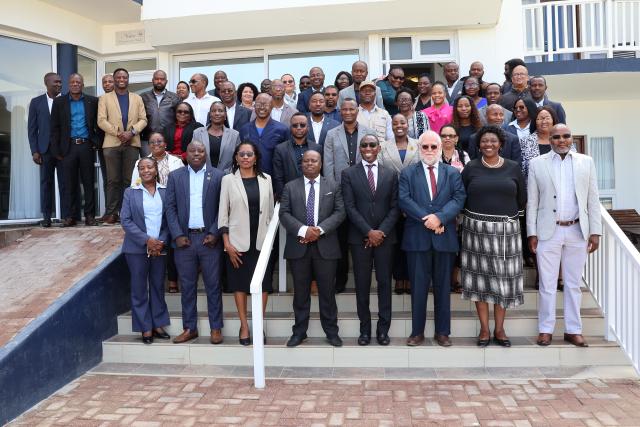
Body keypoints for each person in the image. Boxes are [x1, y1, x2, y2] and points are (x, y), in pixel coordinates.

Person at [527, 124, 601, 348]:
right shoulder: (537, 164)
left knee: (573, 284)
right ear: (549, 139)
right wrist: (532, 232)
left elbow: (592, 199)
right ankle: (546, 329)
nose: (562, 140)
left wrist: (595, 231)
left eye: (566, 136)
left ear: (572, 139)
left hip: (578, 230)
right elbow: (532, 202)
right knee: (547, 284)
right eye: (556, 136)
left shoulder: (586, 162)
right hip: (548, 232)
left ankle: (573, 329)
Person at [460, 125, 526, 348]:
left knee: (502, 283)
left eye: (493, 141)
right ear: (478, 145)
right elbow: (462, 197)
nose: (489, 145)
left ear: (501, 144)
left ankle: (500, 329)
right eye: (484, 141)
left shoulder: (514, 168)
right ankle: (484, 330)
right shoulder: (471, 168)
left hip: (506, 232)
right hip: (475, 231)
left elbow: (522, 199)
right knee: (480, 282)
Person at [399, 131, 466, 347]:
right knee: (418, 288)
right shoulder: (408, 173)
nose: (429, 151)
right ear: (419, 149)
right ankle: (417, 332)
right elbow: (404, 199)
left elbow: (459, 198)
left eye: (433, 147)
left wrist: (440, 218)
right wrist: (428, 220)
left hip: (444, 238)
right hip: (417, 238)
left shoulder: (452, 173)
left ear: (440, 148)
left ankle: (443, 332)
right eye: (425, 147)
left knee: (442, 287)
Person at [279, 150, 346, 347]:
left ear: (321, 163)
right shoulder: (290, 187)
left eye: (313, 160)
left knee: (327, 293)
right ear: (301, 164)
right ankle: (299, 332)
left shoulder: (333, 186)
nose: (309, 163)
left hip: (326, 247)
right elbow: (284, 213)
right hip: (298, 248)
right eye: (306, 161)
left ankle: (332, 332)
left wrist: (319, 230)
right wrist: (303, 230)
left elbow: (340, 212)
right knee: (300, 294)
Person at [341, 134, 399, 346]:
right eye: (364, 145)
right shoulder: (348, 174)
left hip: (385, 238)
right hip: (360, 239)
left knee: (384, 285)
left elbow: (395, 207)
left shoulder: (391, 174)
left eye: (371, 144)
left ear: (378, 148)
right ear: (360, 148)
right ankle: (364, 330)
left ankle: (383, 330)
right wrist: (368, 231)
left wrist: (380, 232)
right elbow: (349, 206)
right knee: (362, 285)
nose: (367, 148)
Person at [165, 141, 225, 344]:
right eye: (193, 151)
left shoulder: (218, 176)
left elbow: (223, 208)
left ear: (206, 154)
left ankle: (216, 328)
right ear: (186, 154)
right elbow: (170, 208)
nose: (197, 153)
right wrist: (177, 234)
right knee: (187, 286)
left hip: (210, 240)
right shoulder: (175, 176)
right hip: (185, 240)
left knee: (213, 285)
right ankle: (190, 328)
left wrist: (215, 232)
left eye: (201, 151)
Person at [219, 142, 274, 345]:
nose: (245, 157)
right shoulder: (227, 180)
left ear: (256, 157)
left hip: (261, 242)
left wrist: (270, 244)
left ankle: (258, 325)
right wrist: (227, 244)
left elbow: (269, 214)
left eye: (249, 154)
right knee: (239, 285)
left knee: (263, 284)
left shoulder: (266, 179)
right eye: (241, 154)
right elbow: (222, 215)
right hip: (236, 244)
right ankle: (244, 326)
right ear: (236, 157)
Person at [121, 157, 171, 345]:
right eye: (142, 168)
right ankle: (145, 327)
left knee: (158, 286)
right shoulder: (130, 193)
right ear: (139, 172)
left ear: (156, 169)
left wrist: (160, 241)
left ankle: (158, 323)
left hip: (160, 247)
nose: (146, 171)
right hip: (136, 249)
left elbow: (169, 219)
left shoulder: (165, 192)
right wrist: (147, 240)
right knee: (139, 288)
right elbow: (125, 221)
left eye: (149, 167)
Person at [131, 132, 185, 294]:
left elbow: (182, 185)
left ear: (165, 144)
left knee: (173, 243)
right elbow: (135, 185)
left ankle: (173, 280)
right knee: (156, 239)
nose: (156, 144)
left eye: (159, 141)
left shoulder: (176, 162)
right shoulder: (140, 163)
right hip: (152, 207)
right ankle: (157, 282)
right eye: (152, 142)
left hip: (173, 206)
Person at [98, 68, 148, 225]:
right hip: (112, 144)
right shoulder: (105, 98)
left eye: (124, 77)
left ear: (128, 79)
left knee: (130, 180)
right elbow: (101, 120)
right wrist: (119, 133)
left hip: (132, 143)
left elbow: (143, 119)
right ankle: (112, 213)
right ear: (114, 79)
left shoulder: (137, 98)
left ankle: (127, 212)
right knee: (113, 180)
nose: (121, 79)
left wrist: (131, 132)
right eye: (118, 77)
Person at [50, 73, 100, 227]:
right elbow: (54, 128)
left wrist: (96, 142)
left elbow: (99, 124)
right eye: (72, 82)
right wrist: (57, 150)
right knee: (69, 183)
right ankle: (70, 217)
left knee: (89, 182)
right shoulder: (59, 102)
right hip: (68, 147)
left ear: (83, 84)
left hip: (86, 146)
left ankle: (90, 216)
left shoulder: (93, 101)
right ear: (68, 85)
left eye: (78, 82)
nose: (75, 84)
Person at [378, 114, 421, 295]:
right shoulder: (383, 146)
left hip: (414, 201)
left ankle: (410, 278)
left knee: (411, 241)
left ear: (408, 124)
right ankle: (399, 278)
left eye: (402, 122)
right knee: (394, 242)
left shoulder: (419, 144)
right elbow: (380, 171)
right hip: (391, 201)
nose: (399, 126)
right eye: (395, 123)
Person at [28, 72, 65, 227]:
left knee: (65, 184)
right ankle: (47, 217)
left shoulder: (65, 100)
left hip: (63, 150)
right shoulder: (36, 102)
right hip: (45, 150)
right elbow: (32, 129)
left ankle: (68, 216)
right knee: (46, 184)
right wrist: (35, 151)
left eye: (60, 82)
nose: (59, 84)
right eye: (56, 82)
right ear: (47, 83)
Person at [273, 113, 323, 199]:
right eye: (295, 125)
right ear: (290, 128)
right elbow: (278, 177)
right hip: (289, 196)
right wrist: (284, 198)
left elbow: (321, 174)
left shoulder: (317, 148)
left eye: (302, 125)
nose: (299, 128)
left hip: (313, 196)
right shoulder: (280, 149)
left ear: (308, 127)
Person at [239, 93, 290, 177]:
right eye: (258, 104)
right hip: (248, 177)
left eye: (265, 104)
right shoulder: (245, 129)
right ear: (254, 106)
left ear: (272, 106)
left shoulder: (282, 130)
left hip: (274, 178)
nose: (262, 107)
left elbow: (286, 157)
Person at [192, 101, 241, 173]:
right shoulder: (197, 133)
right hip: (202, 175)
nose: (217, 113)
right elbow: (192, 156)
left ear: (225, 115)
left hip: (226, 176)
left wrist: (228, 173)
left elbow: (238, 158)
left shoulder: (234, 135)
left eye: (220, 111)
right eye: (213, 111)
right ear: (210, 115)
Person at [141, 70, 180, 157]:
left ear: (166, 81)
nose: (159, 81)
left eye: (162, 79)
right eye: (156, 79)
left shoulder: (174, 98)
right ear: (152, 80)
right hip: (147, 139)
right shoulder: (143, 97)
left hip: (168, 139)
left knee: (167, 167)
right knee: (149, 166)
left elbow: (180, 119)